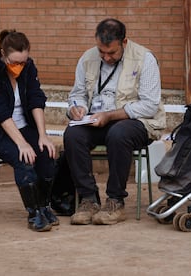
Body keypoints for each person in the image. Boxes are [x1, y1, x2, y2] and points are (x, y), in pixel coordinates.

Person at [64, 18, 166, 225]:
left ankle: (115, 201)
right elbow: (77, 93)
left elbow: (149, 106)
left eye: (111, 53)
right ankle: (88, 199)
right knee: (72, 134)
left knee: (118, 133)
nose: (106, 57)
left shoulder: (144, 59)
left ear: (124, 42)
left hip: (138, 122)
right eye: (102, 52)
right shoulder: (87, 58)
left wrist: (110, 115)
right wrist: (77, 108)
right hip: (96, 119)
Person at [0, 29, 58, 232]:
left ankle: (44, 206)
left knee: (46, 154)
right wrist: (22, 143)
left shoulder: (28, 67)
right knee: (24, 158)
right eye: (14, 62)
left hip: (24, 126)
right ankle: (34, 213)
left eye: (23, 62)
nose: (19, 67)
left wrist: (43, 135)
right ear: (3, 54)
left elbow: (36, 99)